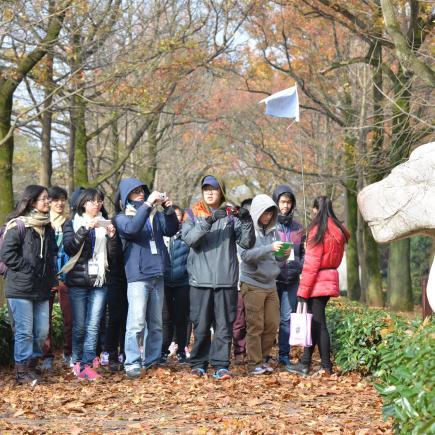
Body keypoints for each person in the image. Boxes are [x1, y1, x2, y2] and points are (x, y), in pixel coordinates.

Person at [182, 175, 255, 380]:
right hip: (199, 280)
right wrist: (210, 220)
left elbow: (247, 243)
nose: (210, 192)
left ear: (221, 191)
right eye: (206, 189)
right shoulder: (192, 213)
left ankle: (221, 366)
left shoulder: (231, 215)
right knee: (202, 325)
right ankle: (198, 364)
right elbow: (189, 239)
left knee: (224, 326)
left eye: (213, 189)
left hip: (225, 280)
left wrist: (246, 220)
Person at [114, 178, 179, 379]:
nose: (140, 194)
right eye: (135, 192)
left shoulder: (155, 216)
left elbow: (171, 229)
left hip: (157, 273)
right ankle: (132, 362)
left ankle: (152, 360)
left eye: (142, 190)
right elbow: (132, 230)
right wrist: (148, 205)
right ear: (126, 197)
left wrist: (168, 210)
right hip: (138, 276)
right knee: (136, 323)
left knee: (156, 323)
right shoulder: (122, 217)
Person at [0, 185, 57, 384]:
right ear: (32, 202)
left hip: (41, 289)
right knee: (24, 330)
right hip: (20, 288)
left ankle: (31, 366)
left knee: (41, 331)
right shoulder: (18, 225)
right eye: (44, 199)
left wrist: (52, 279)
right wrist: (27, 268)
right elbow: (7, 254)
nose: (48, 202)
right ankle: (22, 371)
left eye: (48, 198)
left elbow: (51, 256)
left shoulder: (47, 226)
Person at [289, 196, 349, 376]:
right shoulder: (338, 230)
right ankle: (306, 363)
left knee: (319, 324)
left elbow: (311, 265)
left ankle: (325, 366)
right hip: (329, 278)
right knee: (313, 323)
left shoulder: (318, 231)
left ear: (316, 210)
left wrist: (302, 292)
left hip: (317, 282)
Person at [63, 188, 118, 380]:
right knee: (79, 325)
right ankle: (77, 362)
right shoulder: (71, 224)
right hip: (78, 282)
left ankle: (86, 365)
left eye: (100, 201)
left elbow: (113, 256)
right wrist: (86, 229)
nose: (97, 204)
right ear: (83, 203)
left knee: (94, 325)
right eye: (93, 201)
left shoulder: (106, 223)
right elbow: (70, 247)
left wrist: (112, 236)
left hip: (100, 281)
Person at [239, 194, 286, 375]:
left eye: (270, 213)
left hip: (271, 284)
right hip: (252, 284)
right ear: (257, 212)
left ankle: (264, 359)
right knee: (255, 325)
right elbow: (245, 256)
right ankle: (254, 363)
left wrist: (283, 253)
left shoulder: (275, 232)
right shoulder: (247, 230)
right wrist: (269, 248)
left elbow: (278, 260)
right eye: (265, 213)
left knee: (272, 325)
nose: (267, 217)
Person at [272, 185, 304, 370]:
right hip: (272, 279)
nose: (285, 205)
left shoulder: (298, 228)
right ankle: (265, 353)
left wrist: (299, 265)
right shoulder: (269, 225)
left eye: (289, 202)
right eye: (282, 202)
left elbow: (304, 253)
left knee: (287, 318)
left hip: (291, 279)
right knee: (269, 319)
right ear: (276, 202)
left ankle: (284, 355)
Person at [42, 186, 73, 369]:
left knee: (70, 318)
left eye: (62, 199)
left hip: (66, 275)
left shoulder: (69, 223)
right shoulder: (42, 223)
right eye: (55, 200)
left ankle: (68, 353)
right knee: (44, 321)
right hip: (46, 277)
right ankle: (47, 356)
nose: (60, 203)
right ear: (49, 202)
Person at [160, 205, 190, 365]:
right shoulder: (162, 233)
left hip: (182, 281)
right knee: (166, 318)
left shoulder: (186, 234)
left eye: (179, 215)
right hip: (164, 282)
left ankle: (181, 350)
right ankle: (163, 350)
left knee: (181, 318)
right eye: (173, 215)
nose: (176, 217)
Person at [232, 198, 252, 364]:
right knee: (239, 320)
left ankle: (255, 352)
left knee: (255, 320)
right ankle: (239, 351)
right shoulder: (237, 230)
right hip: (239, 282)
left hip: (256, 283)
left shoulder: (263, 232)